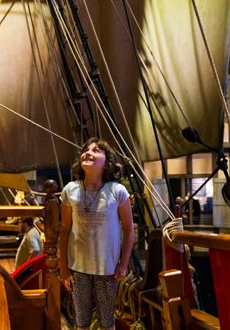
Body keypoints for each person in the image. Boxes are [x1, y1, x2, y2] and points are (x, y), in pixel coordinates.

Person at [59, 137, 134, 330]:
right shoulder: (70, 190)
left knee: (107, 321)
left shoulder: (117, 191)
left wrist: (124, 263)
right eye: (86, 149)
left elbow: (128, 228)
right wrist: (64, 268)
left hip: (107, 269)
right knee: (81, 320)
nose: (89, 152)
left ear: (107, 162)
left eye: (96, 150)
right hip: (78, 268)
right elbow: (65, 229)